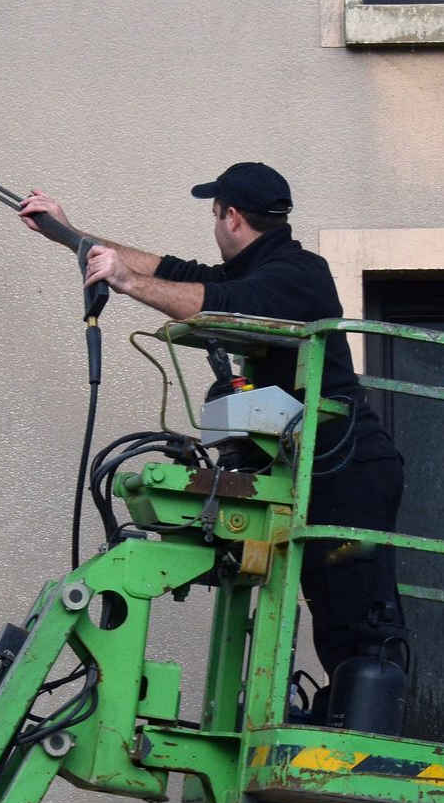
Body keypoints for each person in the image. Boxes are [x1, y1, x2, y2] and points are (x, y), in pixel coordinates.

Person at [20, 162, 406, 720]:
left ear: (230, 215)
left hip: (348, 469)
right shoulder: (258, 268)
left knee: (357, 610)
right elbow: (172, 271)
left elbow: (217, 304)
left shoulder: (299, 273)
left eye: (213, 213)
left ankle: (368, 729)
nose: (212, 224)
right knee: (332, 599)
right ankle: (340, 717)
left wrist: (125, 283)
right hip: (310, 465)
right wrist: (69, 233)